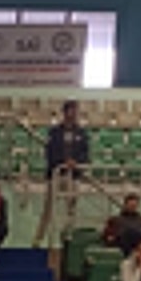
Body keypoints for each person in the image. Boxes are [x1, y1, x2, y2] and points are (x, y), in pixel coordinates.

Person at [34, 100, 90, 248]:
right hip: (56, 174)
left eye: (76, 111)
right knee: (48, 208)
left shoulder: (82, 133)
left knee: (71, 209)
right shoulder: (54, 132)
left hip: (74, 176)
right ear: (65, 113)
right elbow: (49, 153)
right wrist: (63, 162)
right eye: (71, 111)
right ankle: (39, 238)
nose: (73, 115)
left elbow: (85, 154)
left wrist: (76, 163)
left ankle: (69, 238)